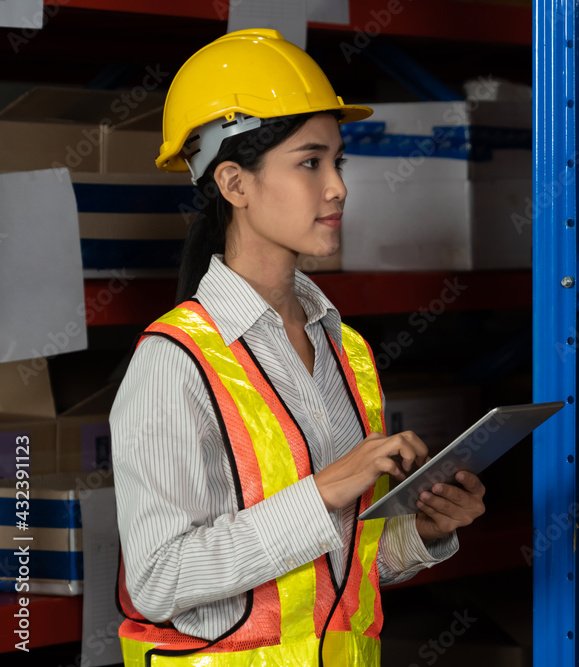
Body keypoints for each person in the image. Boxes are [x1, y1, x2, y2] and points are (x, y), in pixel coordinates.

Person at [109, 28, 486, 667]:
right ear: (234, 183)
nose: (337, 186)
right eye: (310, 162)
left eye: (339, 161)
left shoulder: (345, 349)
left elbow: (333, 573)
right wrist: (324, 492)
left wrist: (420, 533)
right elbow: (157, 583)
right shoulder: (176, 362)